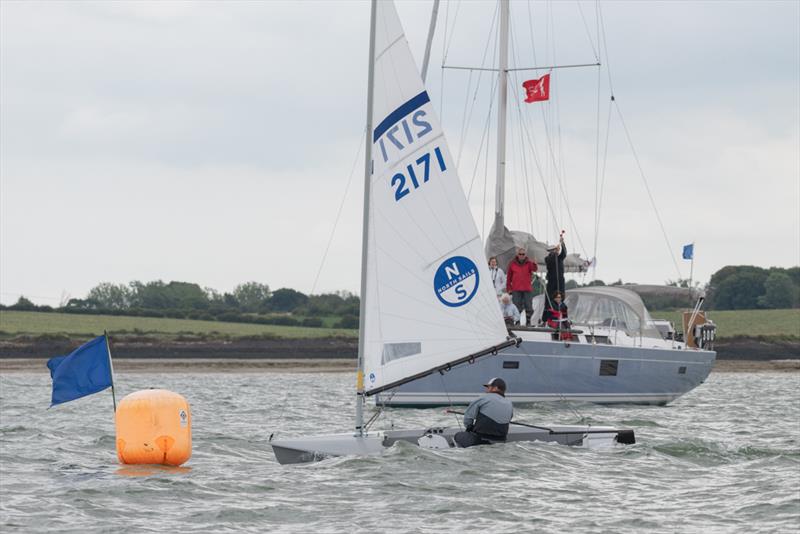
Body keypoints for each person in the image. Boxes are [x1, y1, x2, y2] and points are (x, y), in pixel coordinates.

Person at [454, 378, 513, 448]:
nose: (486, 390)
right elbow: (509, 418)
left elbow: (468, 418)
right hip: (501, 440)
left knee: (458, 435)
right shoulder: (509, 403)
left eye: (488, 387)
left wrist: (469, 429)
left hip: (480, 440)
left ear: (495, 388)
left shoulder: (483, 398)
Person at [506, 247, 538, 326]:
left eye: (523, 254)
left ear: (525, 255)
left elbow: (534, 269)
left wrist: (535, 263)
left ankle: (528, 321)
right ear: (518, 254)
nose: (521, 255)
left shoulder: (529, 263)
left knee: (529, 306)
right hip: (516, 289)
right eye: (520, 254)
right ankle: (517, 321)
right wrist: (509, 288)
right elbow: (509, 277)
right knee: (516, 306)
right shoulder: (512, 264)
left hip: (527, 288)